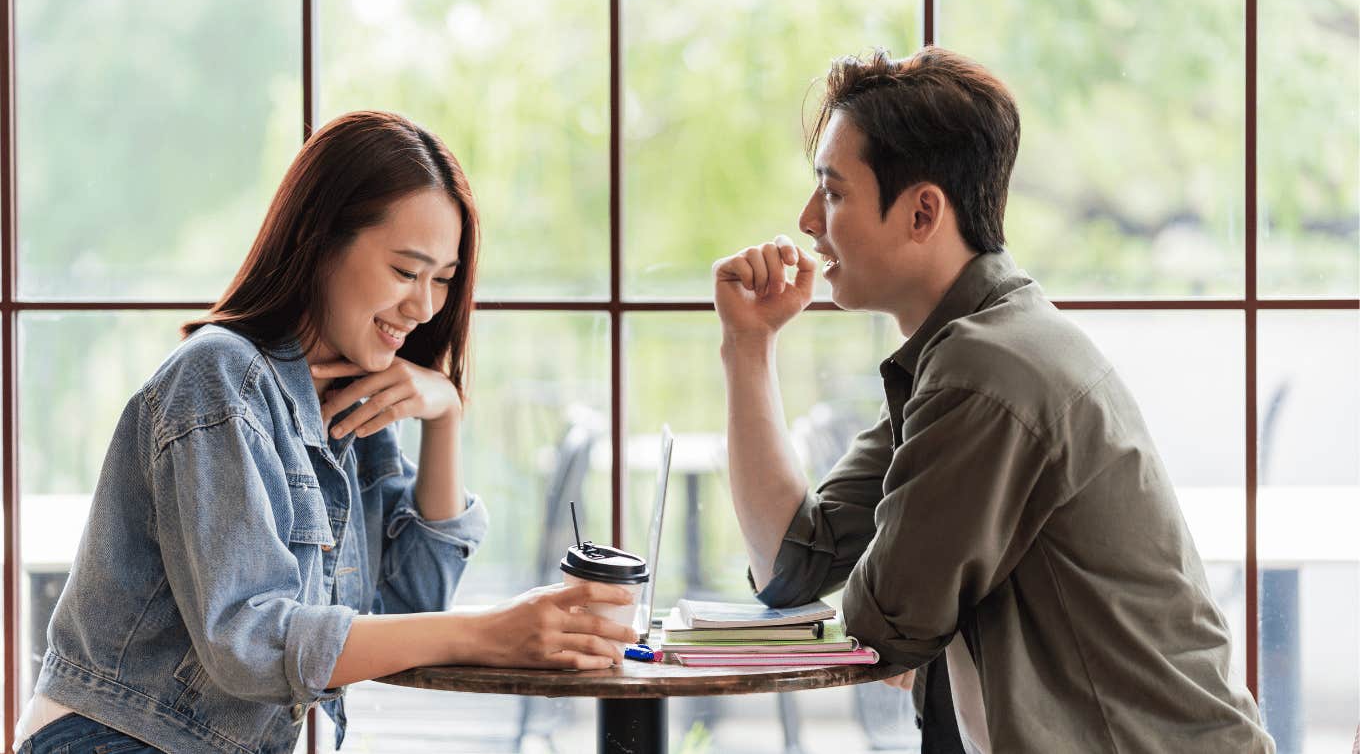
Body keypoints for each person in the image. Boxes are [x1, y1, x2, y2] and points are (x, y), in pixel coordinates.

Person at [19, 111, 636, 754]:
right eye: (405, 271)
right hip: (115, 739)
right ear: (320, 243)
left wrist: (446, 415)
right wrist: (487, 631)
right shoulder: (220, 377)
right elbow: (250, 644)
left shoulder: (354, 397)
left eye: (443, 281)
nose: (425, 307)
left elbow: (408, 605)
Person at [712, 47, 1274, 753]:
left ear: (922, 213)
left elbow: (881, 627)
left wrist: (906, 619)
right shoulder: (966, 352)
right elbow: (794, 570)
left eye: (833, 192)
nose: (806, 220)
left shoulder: (988, 370)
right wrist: (748, 345)